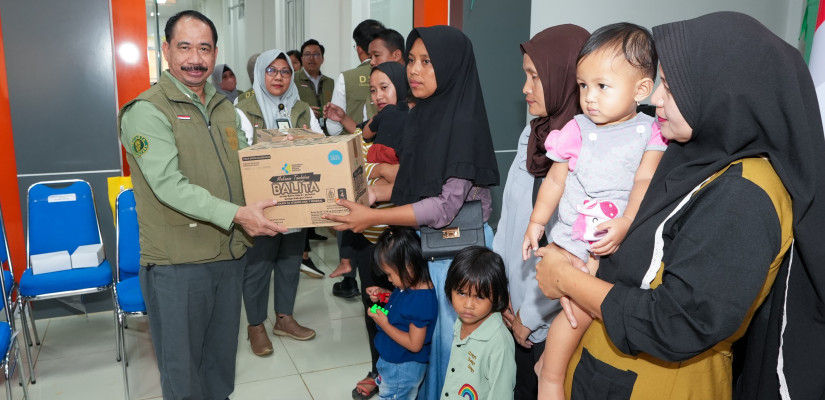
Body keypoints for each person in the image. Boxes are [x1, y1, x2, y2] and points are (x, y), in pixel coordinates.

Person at [533, 11, 825, 399]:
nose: (655, 99)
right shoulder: (692, 156)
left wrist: (566, 278)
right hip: (605, 370)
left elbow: (676, 321)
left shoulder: (745, 194)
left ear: (721, 91)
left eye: (670, 86)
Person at [118, 10, 287, 399]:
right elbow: (169, 186)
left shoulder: (224, 107)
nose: (196, 58)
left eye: (205, 48)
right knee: (184, 377)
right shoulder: (147, 110)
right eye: (185, 47)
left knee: (219, 368)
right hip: (179, 267)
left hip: (228, 257)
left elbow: (246, 167)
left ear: (214, 53)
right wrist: (238, 215)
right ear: (165, 50)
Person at [325, 26, 500, 399]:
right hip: (430, 247)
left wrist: (373, 217)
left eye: (427, 62)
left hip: (458, 255)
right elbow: (417, 183)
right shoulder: (423, 114)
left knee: (447, 353)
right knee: (426, 348)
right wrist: (371, 194)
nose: (414, 71)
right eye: (412, 61)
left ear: (451, 67)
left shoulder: (462, 124)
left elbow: (445, 205)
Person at [519, 23, 664, 400]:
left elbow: (643, 183)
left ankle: (551, 365)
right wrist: (536, 222)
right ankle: (549, 377)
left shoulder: (652, 131)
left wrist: (628, 221)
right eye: (583, 86)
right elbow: (554, 181)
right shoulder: (576, 129)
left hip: (619, 239)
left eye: (602, 86)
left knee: (593, 313)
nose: (590, 98)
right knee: (573, 318)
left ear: (641, 90)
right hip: (573, 241)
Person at [494, 24, 589, 400]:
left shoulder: (586, 153)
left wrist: (530, 320)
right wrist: (500, 294)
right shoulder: (532, 135)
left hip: (551, 322)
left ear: (564, 76)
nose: (525, 88)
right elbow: (510, 221)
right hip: (512, 303)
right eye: (525, 75)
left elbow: (575, 252)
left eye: (535, 77)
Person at [327, 62, 411, 399]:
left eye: (386, 88)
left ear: (403, 88)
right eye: (373, 90)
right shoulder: (367, 131)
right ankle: (377, 369)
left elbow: (409, 180)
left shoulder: (412, 128)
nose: (378, 96)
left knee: (404, 310)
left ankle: (404, 373)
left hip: (401, 239)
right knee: (373, 307)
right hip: (368, 241)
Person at [234, 49, 323, 356]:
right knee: (259, 264)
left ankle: (284, 318)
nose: (279, 77)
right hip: (261, 201)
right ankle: (256, 325)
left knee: (289, 261)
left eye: (285, 72)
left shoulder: (301, 107)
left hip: (296, 196)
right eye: (271, 71)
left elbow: (320, 142)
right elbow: (241, 154)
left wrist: (309, 140)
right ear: (260, 73)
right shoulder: (243, 107)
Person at [324, 19, 385, 300]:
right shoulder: (405, 96)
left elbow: (337, 132)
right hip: (387, 214)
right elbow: (364, 129)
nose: (377, 95)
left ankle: (350, 274)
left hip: (367, 173)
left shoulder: (346, 77)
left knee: (350, 210)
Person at [364, 226, 438, 400]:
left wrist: (384, 324)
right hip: (394, 363)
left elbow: (414, 344)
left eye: (390, 274)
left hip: (402, 368)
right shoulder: (409, 286)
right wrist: (385, 295)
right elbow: (403, 307)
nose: (389, 279)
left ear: (409, 266)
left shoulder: (422, 300)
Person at [441, 246, 515, 399]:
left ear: (497, 297)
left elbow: (502, 394)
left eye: (479, 297)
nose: (468, 305)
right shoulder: (462, 320)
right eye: (461, 293)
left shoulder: (499, 343)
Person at [325, 19, 385, 136]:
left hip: (355, 148)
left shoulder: (346, 78)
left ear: (359, 48)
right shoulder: (395, 75)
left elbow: (334, 130)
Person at [294, 39, 334, 133]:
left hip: (327, 132)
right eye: (307, 55)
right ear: (302, 59)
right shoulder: (293, 80)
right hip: (303, 130)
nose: (311, 58)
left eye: (316, 54)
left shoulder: (329, 82)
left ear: (322, 59)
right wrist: (307, 112)